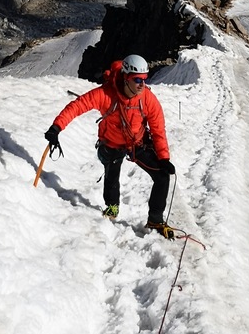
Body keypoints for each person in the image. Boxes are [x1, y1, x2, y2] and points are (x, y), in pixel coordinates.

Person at [44, 54, 177, 238]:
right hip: (112, 143)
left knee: (162, 176)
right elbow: (78, 106)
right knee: (112, 173)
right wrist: (56, 127)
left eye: (144, 79)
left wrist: (163, 158)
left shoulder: (147, 99)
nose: (142, 84)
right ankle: (112, 206)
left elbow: (158, 130)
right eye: (137, 80)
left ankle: (155, 220)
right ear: (126, 77)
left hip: (135, 143)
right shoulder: (106, 94)